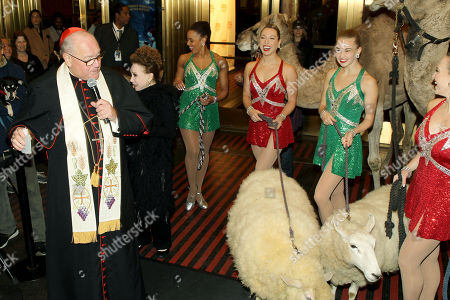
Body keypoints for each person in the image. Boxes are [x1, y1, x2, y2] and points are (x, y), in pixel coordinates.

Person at [10, 28, 152, 300]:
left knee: (119, 259)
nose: (96, 63)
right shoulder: (45, 87)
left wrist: (115, 115)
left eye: (98, 56)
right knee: (76, 260)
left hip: (113, 193)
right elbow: (30, 125)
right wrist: (23, 133)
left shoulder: (112, 80)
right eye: (88, 59)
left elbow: (144, 121)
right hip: (70, 196)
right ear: (67, 58)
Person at [393, 53, 450, 300]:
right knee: (427, 259)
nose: (433, 76)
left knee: (406, 260)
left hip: (444, 201)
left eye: (438, 71)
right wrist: (408, 167)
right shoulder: (433, 105)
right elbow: (426, 150)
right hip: (422, 188)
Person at [312, 29, 378, 223]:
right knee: (336, 193)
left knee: (320, 196)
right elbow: (322, 105)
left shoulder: (368, 82)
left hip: (346, 143)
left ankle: (330, 240)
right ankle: (347, 237)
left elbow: (369, 119)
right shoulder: (331, 74)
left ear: (358, 51)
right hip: (327, 137)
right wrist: (323, 112)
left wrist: (354, 131)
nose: (341, 55)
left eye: (347, 50)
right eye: (338, 49)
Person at [128, 45, 178, 256]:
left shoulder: (161, 97)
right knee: (137, 196)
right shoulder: (134, 94)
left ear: (150, 76)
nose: (131, 79)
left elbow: (169, 130)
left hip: (157, 157)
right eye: (131, 74)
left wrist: (142, 128)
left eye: (135, 75)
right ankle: (142, 235)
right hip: (135, 156)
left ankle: (162, 239)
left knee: (157, 198)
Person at [174, 21, 229, 211]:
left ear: (204, 39)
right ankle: (192, 190)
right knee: (193, 150)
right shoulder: (183, 59)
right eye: (188, 40)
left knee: (204, 151)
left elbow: (224, 92)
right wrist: (178, 81)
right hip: (188, 108)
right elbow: (177, 79)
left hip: (210, 109)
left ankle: (198, 191)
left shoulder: (220, 61)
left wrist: (213, 99)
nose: (189, 43)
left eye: (192, 40)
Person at [0, 39, 46, 255]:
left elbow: (23, 106)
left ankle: (40, 236)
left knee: (29, 190)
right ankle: (6, 228)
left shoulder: (14, 71)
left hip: (19, 135)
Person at [243, 24, 298, 171]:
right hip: (256, 123)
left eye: (271, 38)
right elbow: (246, 95)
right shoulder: (250, 67)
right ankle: (278, 192)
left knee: (259, 170)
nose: (267, 42)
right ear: (259, 41)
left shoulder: (289, 70)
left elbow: (292, 101)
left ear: (279, 43)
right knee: (266, 172)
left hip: (276, 124)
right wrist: (249, 109)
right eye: (263, 38)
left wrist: (281, 117)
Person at [94, 3, 139, 69]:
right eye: (126, 13)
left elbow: (135, 55)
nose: (129, 16)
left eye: (129, 14)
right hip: (106, 70)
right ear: (117, 15)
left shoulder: (133, 33)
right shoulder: (102, 30)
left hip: (125, 72)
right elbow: (96, 51)